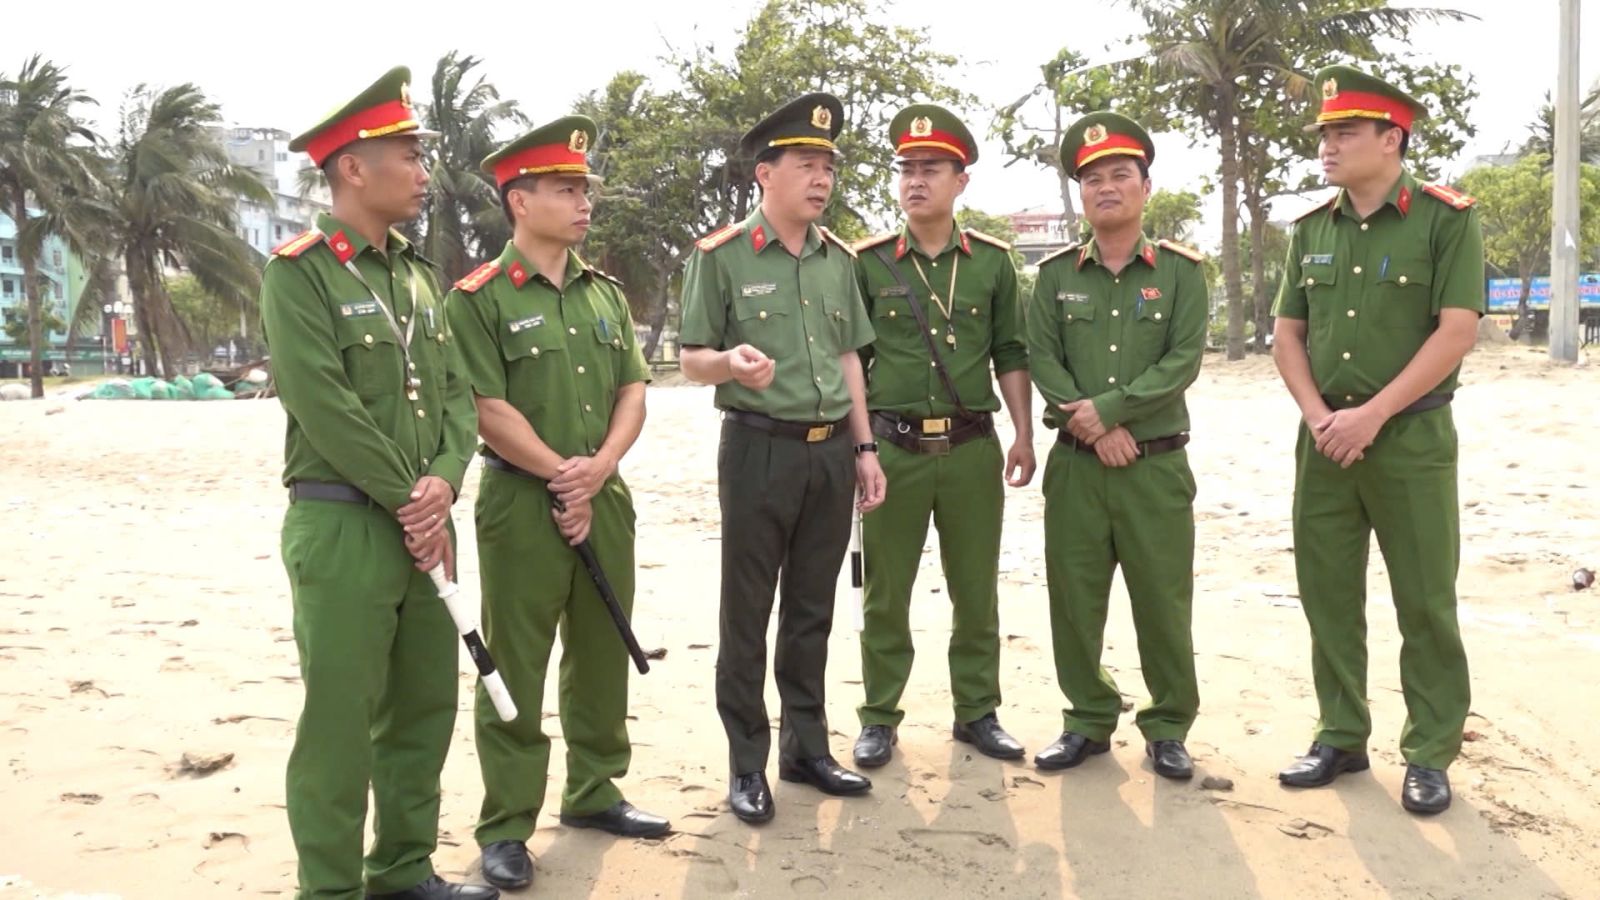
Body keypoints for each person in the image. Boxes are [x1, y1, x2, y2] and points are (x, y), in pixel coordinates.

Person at [260, 66, 488, 900]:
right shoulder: (301, 273)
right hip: (346, 526)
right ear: (353, 167)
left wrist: (443, 484)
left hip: (425, 520)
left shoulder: (421, 277)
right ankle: (329, 888)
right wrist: (409, 497)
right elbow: (324, 405)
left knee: (423, 708)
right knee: (339, 724)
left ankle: (401, 868)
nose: (425, 171)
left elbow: (458, 397)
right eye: (409, 155)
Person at [445, 116, 668, 891]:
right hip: (520, 502)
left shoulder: (604, 295)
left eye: (585, 190)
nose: (584, 203)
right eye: (567, 189)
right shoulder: (478, 299)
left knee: (602, 649)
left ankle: (595, 790)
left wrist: (598, 469)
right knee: (516, 663)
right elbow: (485, 406)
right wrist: (561, 476)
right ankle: (507, 823)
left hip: (605, 493)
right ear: (520, 200)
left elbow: (634, 389)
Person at [1271, 64, 1483, 816]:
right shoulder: (1311, 228)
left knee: (1424, 600)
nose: (1327, 146)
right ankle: (1340, 735)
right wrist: (1319, 417)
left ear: (1392, 139)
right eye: (1324, 133)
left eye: (1345, 132)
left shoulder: (1445, 219)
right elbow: (1287, 335)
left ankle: (1429, 751)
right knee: (1328, 595)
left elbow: (1456, 331)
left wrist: (1374, 416)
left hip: (1411, 437)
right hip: (1326, 439)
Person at [677, 92, 886, 824]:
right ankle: (747, 763)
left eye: (828, 166)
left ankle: (806, 748)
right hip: (758, 449)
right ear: (765, 173)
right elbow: (691, 358)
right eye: (806, 164)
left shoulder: (837, 260)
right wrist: (729, 362)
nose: (821, 178)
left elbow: (849, 357)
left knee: (811, 609)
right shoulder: (721, 256)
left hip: (830, 454)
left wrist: (865, 447)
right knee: (747, 612)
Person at [849, 103, 1034, 769]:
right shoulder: (868, 263)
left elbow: (1011, 352)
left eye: (931, 169)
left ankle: (977, 711)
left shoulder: (993, 263)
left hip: (970, 449)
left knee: (976, 590)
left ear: (961, 181)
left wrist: (1023, 434)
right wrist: (860, 448)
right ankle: (879, 716)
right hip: (893, 449)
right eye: (907, 169)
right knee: (885, 593)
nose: (916, 180)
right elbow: (852, 362)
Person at [1024, 111, 1207, 782]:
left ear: (1145, 187)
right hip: (1077, 468)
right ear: (1080, 193)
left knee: (1163, 602)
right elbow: (1042, 358)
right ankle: (1086, 719)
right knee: (1075, 601)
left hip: (1154, 468)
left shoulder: (1182, 273)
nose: (1106, 187)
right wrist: (1093, 428)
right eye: (1092, 178)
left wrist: (1107, 411)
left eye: (1120, 175)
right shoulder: (1053, 277)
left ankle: (1168, 725)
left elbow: (1182, 361)